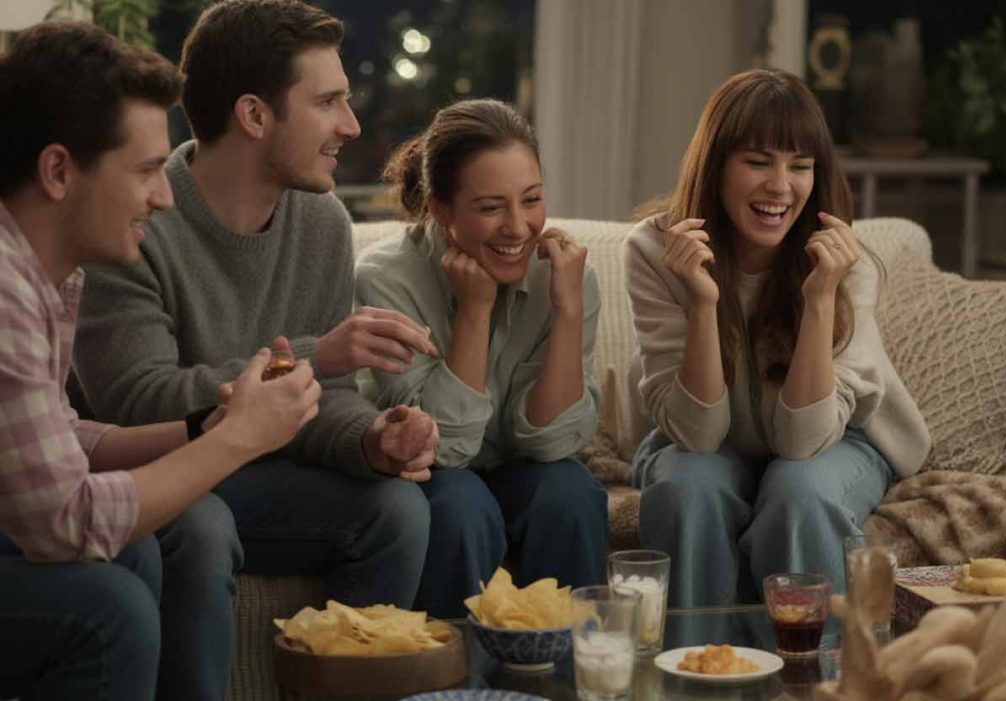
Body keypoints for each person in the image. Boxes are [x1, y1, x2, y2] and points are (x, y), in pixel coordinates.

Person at [72, 0, 439, 609]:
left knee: (397, 508)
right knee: (202, 525)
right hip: (156, 474)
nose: (350, 124)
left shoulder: (322, 222)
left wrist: (371, 439)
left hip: (259, 479)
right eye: (327, 102)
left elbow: (325, 399)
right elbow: (134, 402)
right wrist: (313, 356)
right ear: (254, 115)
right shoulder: (132, 218)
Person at [0, 22, 321, 700]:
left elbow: (56, 439)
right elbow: (67, 519)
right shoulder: (4, 289)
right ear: (59, 171)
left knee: (144, 547)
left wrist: (207, 423)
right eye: (146, 170)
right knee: (106, 610)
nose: (165, 195)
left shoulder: (50, 275)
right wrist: (238, 439)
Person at [624, 69, 930, 608]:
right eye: (758, 161)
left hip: (835, 437)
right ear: (715, 165)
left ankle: (812, 685)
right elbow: (696, 435)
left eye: (800, 165)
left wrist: (818, 301)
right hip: (706, 443)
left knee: (799, 493)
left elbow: (803, 444)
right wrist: (702, 303)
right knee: (685, 488)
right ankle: (698, 675)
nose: (781, 186)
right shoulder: (654, 252)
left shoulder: (842, 261)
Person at [356, 98, 608, 617]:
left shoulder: (564, 273)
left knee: (573, 494)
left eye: (532, 200)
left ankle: (566, 683)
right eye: (491, 207)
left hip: (525, 468)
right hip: (435, 478)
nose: (518, 227)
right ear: (441, 209)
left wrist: (566, 310)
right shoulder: (385, 279)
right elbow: (442, 450)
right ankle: (458, 687)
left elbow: (553, 443)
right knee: (458, 506)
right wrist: (473, 312)